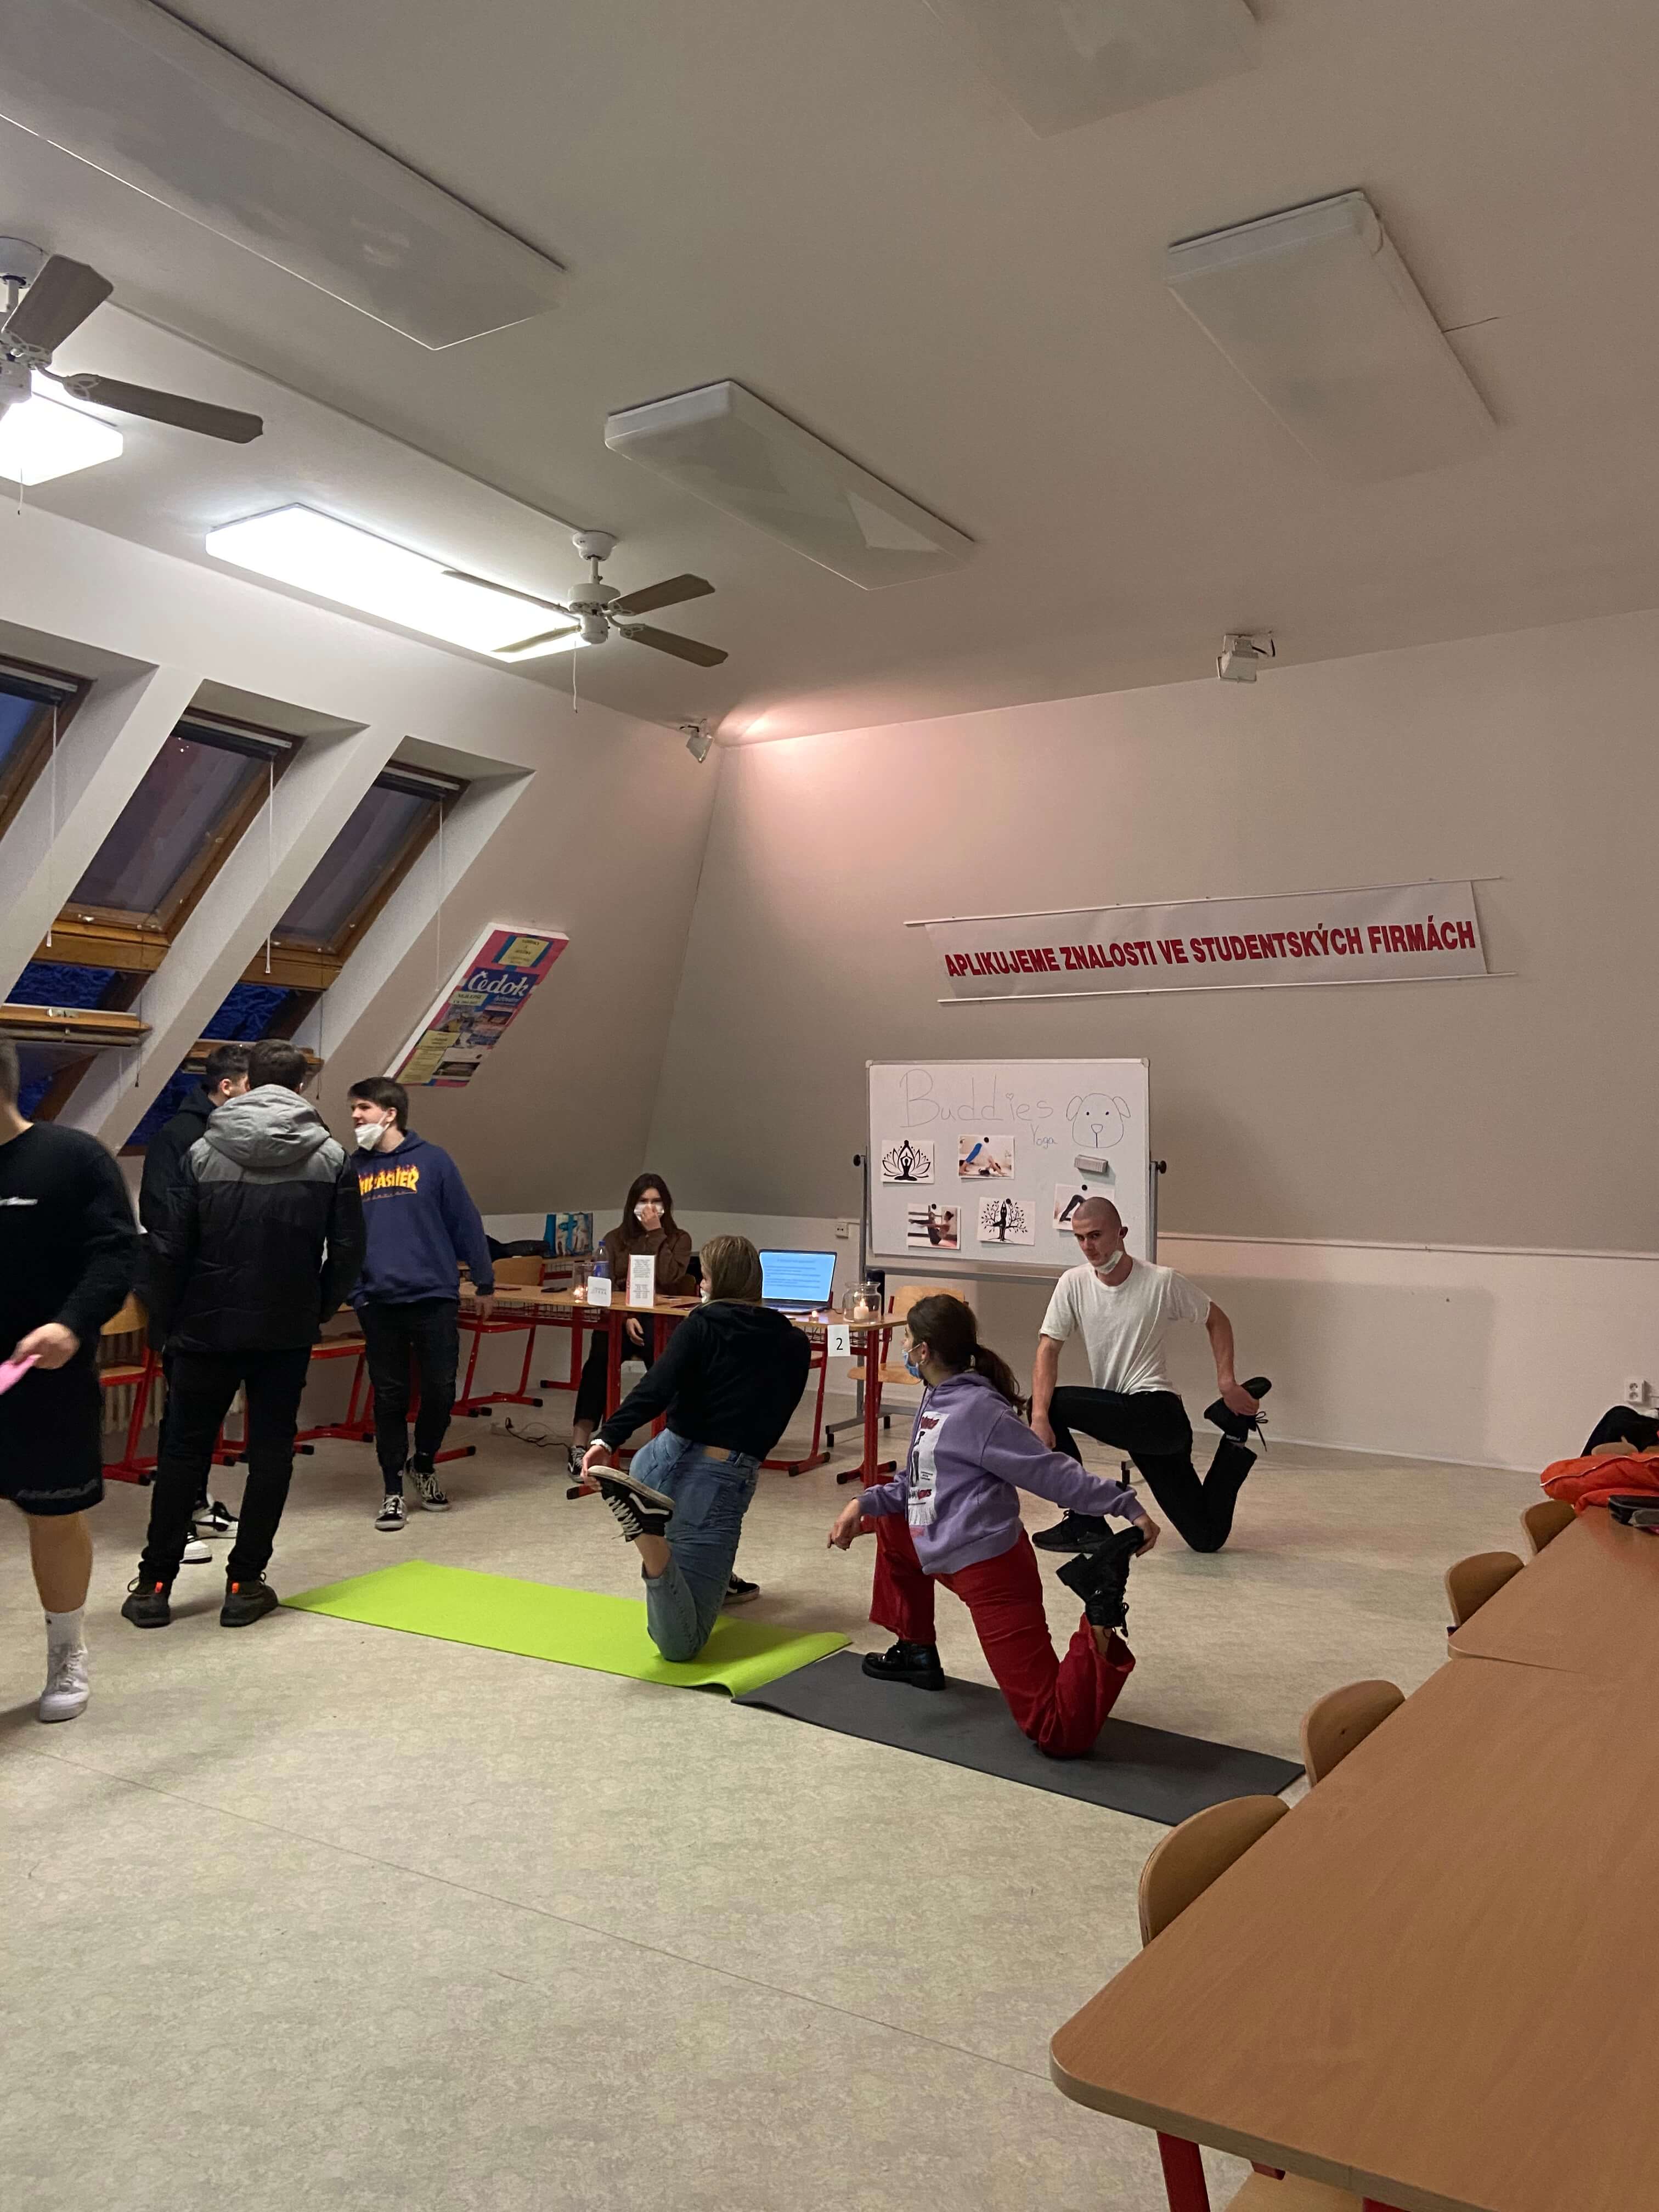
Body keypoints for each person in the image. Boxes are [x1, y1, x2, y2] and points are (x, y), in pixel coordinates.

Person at [828, 1294, 1153, 1757]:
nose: (903, 1347)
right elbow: (916, 1480)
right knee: (890, 1525)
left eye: (906, 1339)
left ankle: (1099, 1619)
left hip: (992, 1570)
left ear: (923, 1351)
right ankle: (916, 1652)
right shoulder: (936, 1397)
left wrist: (1126, 1505)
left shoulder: (981, 1411)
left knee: (1054, 1732)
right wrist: (862, 1504)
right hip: (943, 1547)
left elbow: (1050, 1472)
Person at [122, 1040, 364, 1630]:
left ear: (248, 1082)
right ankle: (245, 1582)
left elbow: (169, 1247)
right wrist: (318, 1307)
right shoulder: (332, 1156)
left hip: (204, 1326)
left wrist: (167, 1322)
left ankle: (154, 1585)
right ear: (303, 1086)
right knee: (272, 1453)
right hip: (285, 1328)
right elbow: (350, 1250)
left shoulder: (202, 1151)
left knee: (183, 1452)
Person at [579, 1234, 810, 1660]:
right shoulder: (794, 1344)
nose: (700, 1285)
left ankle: (714, 1574)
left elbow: (655, 1389)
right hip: (711, 1481)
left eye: (703, 1277)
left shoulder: (700, 1324)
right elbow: (768, 1425)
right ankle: (648, 1535)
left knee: (695, 1553)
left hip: (656, 1460)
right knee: (681, 1644)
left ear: (718, 1281)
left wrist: (605, 1439)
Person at [0, 1039, 140, 1722]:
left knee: (53, 1517)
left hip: (44, 1377)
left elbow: (116, 1255)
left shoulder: (73, 1159)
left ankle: (67, 1652)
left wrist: (72, 1324)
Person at [1029, 1197, 1269, 1556]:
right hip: (1135, 1427)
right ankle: (1234, 1433)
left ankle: (1085, 1521)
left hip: (1158, 1415)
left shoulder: (1160, 1281)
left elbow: (1216, 1319)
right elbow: (1048, 1348)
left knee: (1051, 1405)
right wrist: (1038, 1418)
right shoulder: (1073, 1283)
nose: (1088, 1246)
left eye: (1095, 1235)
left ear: (1121, 1233)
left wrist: (1226, 1382)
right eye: (1080, 1238)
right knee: (1207, 1538)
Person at [346, 1076, 495, 1528]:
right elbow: (342, 1235)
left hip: (434, 1297)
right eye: (353, 1109)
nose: (355, 1116)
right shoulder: (352, 1169)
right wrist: (357, 1294)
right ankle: (392, 1489)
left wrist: (485, 1281)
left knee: (440, 1390)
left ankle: (424, 1462)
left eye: (364, 1108)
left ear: (390, 1114)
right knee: (390, 1397)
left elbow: (465, 1222)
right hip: (379, 1302)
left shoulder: (433, 1161)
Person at [137, 1042, 251, 1560]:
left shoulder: (234, 1135)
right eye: (250, 1087)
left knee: (208, 1412)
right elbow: (160, 1217)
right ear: (227, 1087)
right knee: (182, 1416)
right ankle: (174, 1520)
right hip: (185, 1296)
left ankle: (199, 1501)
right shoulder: (178, 1137)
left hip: (226, 1293)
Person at [566, 1171, 696, 1478]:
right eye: (643, 1201)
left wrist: (656, 1234)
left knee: (664, 1363)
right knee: (599, 1357)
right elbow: (605, 1284)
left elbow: (669, 1278)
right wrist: (626, 1316)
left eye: (656, 1202)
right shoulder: (615, 1239)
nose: (650, 1208)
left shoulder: (679, 1239)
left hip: (660, 1320)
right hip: (621, 1317)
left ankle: (673, 1441)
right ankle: (579, 1444)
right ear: (632, 1205)